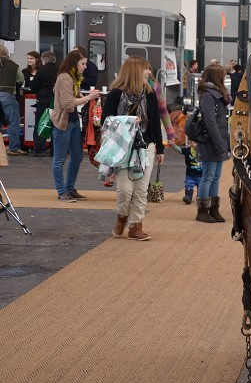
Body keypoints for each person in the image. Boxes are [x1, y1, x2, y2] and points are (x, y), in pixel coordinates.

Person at [102, 56, 165, 241]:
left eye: (149, 69)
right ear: (135, 71)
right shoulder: (115, 94)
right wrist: (127, 120)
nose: (149, 73)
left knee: (140, 189)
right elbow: (106, 122)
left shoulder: (151, 94)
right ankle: (122, 216)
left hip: (146, 146)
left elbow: (155, 124)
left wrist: (160, 148)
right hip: (122, 148)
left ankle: (136, 225)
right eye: (145, 69)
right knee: (125, 189)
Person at [50, 50, 100, 201]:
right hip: (63, 123)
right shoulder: (65, 78)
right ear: (74, 63)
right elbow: (67, 104)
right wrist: (89, 98)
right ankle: (61, 191)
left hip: (72, 122)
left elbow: (66, 96)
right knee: (59, 159)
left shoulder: (72, 77)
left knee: (77, 156)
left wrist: (83, 97)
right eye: (83, 64)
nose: (85, 67)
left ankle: (69, 189)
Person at [194, 63, 229, 223]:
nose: (225, 77)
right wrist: (220, 143)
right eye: (223, 75)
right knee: (208, 176)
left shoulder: (215, 94)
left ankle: (213, 209)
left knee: (215, 176)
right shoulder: (209, 95)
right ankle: (202, 211)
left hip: (217, 140)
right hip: (211, 141)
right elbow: (210, 121)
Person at [29, 51, 57, 156]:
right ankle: (55, 149)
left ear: (44, 60)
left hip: (44, 101)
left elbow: (33, 86)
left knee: (41, 124)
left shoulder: (42, 71)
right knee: (56, 125)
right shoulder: (60, 70)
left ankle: (40, 149)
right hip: (56, 102)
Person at [0, 45, 26, 155]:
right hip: (7, 95)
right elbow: (21, 79)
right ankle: (13, 148)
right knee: (13, 122)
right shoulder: (13, 65)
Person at [176, 140, 203, 204]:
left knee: (201, 187)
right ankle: (188, 196)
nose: (196, 145)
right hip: (190, 175)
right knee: (189, 185)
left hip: (201, 175)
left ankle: (200, 197)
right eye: (195, 142)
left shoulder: (204, 151)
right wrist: (173, 145)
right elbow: (180, 150)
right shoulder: (187, 150)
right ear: (191, 143)